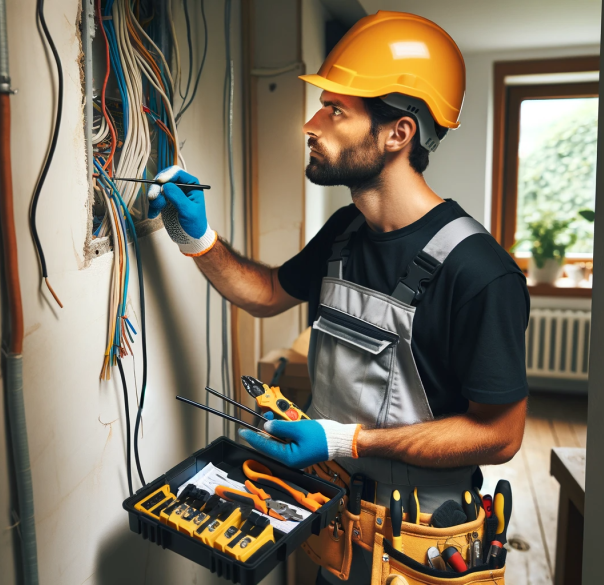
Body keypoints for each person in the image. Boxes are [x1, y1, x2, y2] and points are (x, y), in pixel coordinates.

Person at [147, 11, 528, 583]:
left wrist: (346, 440)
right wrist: (198, 239)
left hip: (421, 546)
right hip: (338, 523)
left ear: (398, 133)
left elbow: (501, 435)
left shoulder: (478, 272)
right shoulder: (346, 232)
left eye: (336, 110)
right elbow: (269, 292)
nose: (311, 123)